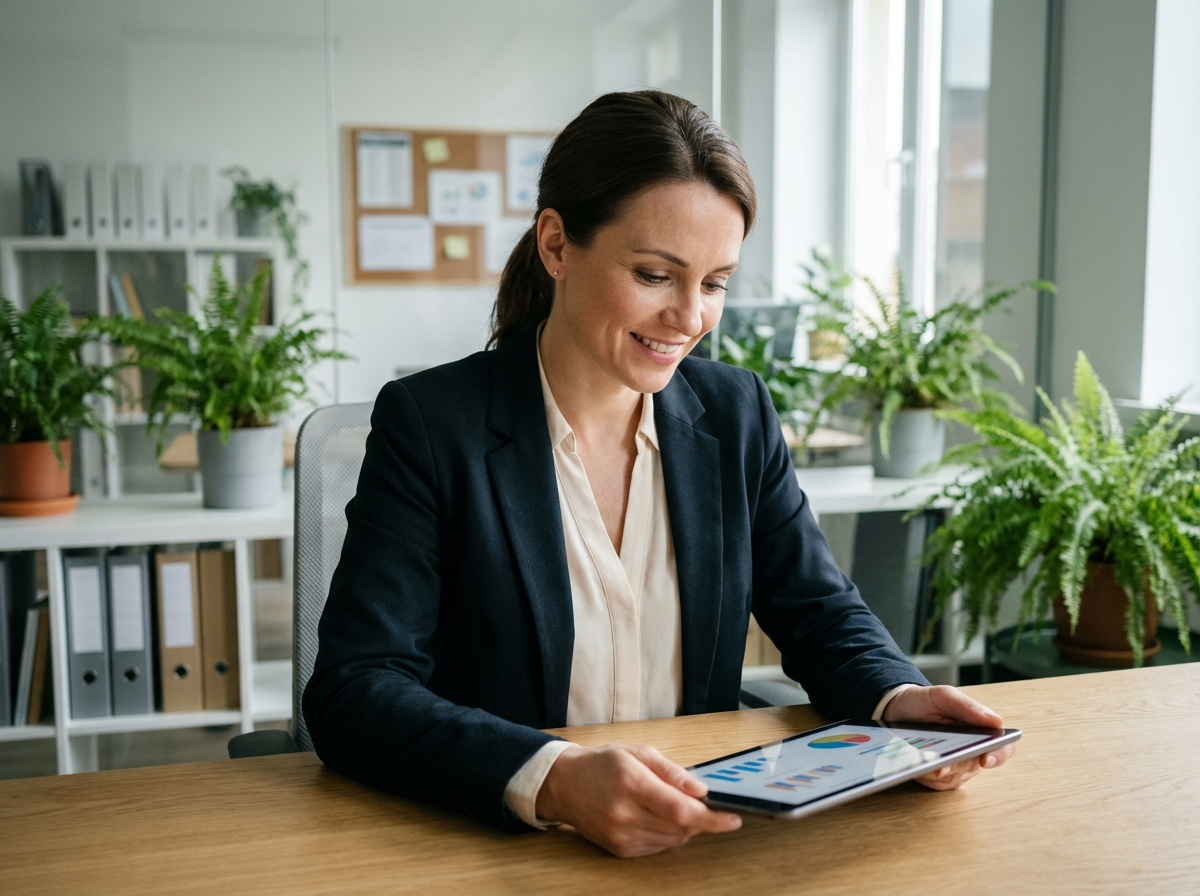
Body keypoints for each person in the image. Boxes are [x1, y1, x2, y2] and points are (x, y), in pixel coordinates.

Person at [303, 89, 1016, 859]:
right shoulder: (431, 422)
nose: (690, 318)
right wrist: (554, 777)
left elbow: (819, 613)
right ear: (556, 245)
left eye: (714, 283)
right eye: (653, 274)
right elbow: (355, 688)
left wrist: (900, 697)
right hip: (501, 851)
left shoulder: (735, 413)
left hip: (692, 841)